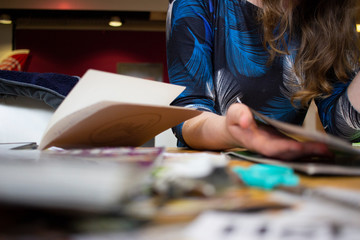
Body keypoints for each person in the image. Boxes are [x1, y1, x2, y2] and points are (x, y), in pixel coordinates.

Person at [166, 0, 360, 160]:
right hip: (206, 172)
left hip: (282, 171)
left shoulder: (332, 15)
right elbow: (187, 116)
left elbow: (342, 129)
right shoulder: (198, 4)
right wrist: (235, 133)